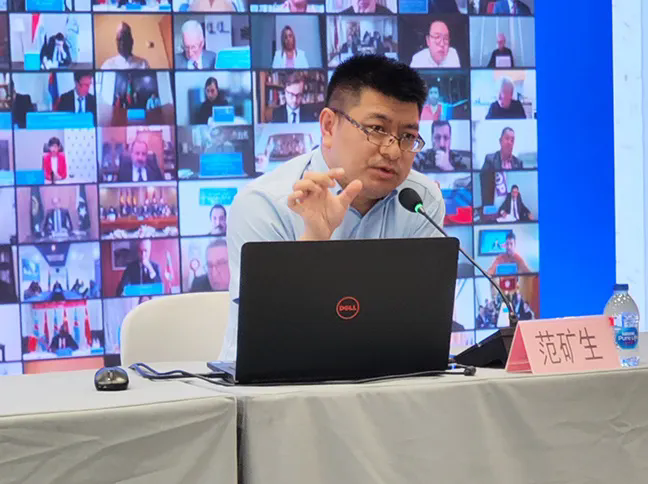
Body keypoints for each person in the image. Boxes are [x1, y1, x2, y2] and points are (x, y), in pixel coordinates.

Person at [219, 54, 444, 361]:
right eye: (377, 129)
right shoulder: (263, 205)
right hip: (278, 382)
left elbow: (416, 327)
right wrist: (313, 243)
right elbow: (270, 336)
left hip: (384, 379)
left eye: (407, 137)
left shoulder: (420, 201)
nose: (393, 151)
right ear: (328, 126)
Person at [480, 127, 522, 205]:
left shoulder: (518, 163)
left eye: (512, 140)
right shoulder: (490, 160)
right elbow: (485, 190)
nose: (509, 142)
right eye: (507, 138)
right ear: (500, 141)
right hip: (494, 205)